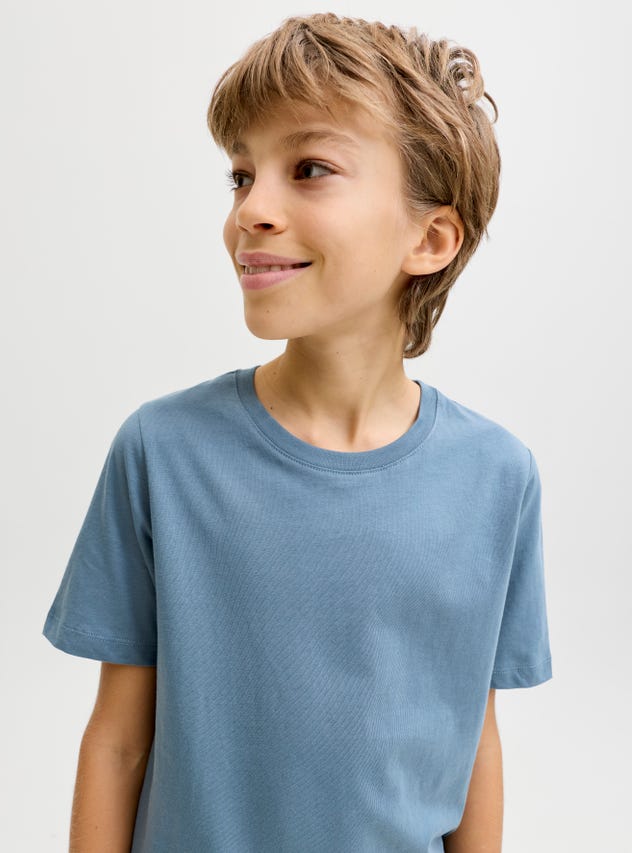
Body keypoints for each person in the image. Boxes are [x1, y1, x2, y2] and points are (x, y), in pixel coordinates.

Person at [42, 12, 553, 852]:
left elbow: (473, 737)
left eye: (309, 169)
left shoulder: (498, 476)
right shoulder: (162, 454)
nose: (252, 209)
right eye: (242, 175)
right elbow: (118, 741)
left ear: (430, 237)